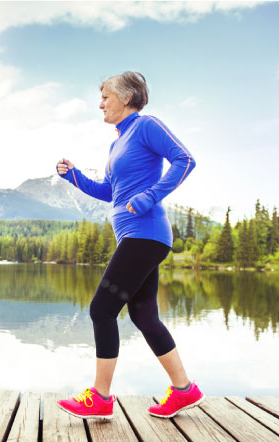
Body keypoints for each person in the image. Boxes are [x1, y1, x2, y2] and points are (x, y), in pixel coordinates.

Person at [55, 71, 204, 419]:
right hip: (135, 237)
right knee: (144, 315)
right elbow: (109, 192)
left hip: (146, 233)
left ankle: (101, 398)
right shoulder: (116, 143)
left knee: (101, 310)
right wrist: (73, 176)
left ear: (126, 97)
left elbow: (185, 159)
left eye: (105, 96)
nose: (100, 103)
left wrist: (151, 196)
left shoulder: (147, 125)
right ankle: (184, 390)